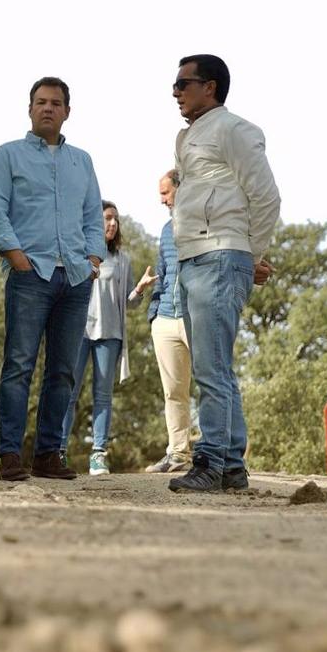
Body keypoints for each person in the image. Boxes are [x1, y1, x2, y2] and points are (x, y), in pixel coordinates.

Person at [167, 54, 280, 493]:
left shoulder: (234, 130)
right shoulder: (190, 136)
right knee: (215, 367)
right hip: (194, 256)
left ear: (209, 87)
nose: (175, 92)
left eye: (182, 84)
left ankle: (211, 461)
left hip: (218, 255)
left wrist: (250, 255)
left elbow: (267, 196)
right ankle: (231, 465)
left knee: (212, 370)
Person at [0, 76, 107, 482]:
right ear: (30, 109)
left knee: (63, 371)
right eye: (41, 102)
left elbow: (93, 216)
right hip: (30, 274)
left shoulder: (82, 161)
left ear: (67, 111)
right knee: (18, 365)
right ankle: (10, 455)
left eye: (56, 102)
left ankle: (48, 454)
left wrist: (91, 260)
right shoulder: (8, 156)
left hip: (74, 278)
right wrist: (17, 258)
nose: (48, 108)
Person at [61, 200, 154, 476]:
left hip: (110, 334)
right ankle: (57, 450)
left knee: (102, 396)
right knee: (67, 393)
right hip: (78, 332)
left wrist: (139, 289)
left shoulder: (122, 260)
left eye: (115, 219)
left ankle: (98, 454)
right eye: (107, 218)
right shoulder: (77, 252)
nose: (112, 223)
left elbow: (128, 303)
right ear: (93, 221)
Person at [142, 170, 195, 474]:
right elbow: (162, 271)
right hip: (165, 319)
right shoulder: (164, 230)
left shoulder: (203, 222)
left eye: (165, 193)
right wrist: (155, 313)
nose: (162, 200)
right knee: (173, 392)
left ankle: (224, 456)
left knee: (215, 385)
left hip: (195, 319)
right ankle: (178, 454)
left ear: (180, 189)